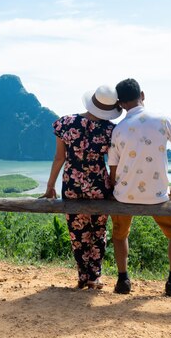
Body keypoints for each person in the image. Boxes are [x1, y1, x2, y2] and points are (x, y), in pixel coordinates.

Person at [108, 78, 171, 296]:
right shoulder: (163, 120)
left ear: (120, 103)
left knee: (120, 235)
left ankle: (123, 281)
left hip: (123, 196)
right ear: (142, 95)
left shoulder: (118, 129)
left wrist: (116, 190)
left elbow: (113, 169)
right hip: (158, 195)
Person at [40, 84, 122, 289]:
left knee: (77, 232)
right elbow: (114, 163)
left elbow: (59, 157)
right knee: (98, 231)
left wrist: (50, 185)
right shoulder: (111, 130)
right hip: (99, 186)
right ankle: (94, 277)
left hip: (72, 185)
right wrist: (114, 187)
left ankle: (82, 276)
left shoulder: (65, 123)